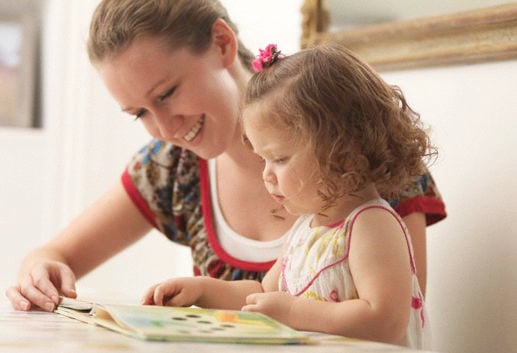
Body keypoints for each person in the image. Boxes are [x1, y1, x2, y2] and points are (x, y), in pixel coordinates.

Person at [6, 0, 445, 313]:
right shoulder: (169, 168)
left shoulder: (361, 149)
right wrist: (40, 271)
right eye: (139, 112)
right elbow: (53, 255)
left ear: (221, 43)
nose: (164, 128)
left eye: (167, 93)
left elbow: (394, 318)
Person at [142, 43, 432, 349]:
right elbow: (261, 294)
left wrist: (293, 311)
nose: (266, 174)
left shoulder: (371, 224)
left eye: (279, 159)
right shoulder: (306, 230)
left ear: (346, 152)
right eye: (263, 160)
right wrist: (201, 291)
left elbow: (385, 321)